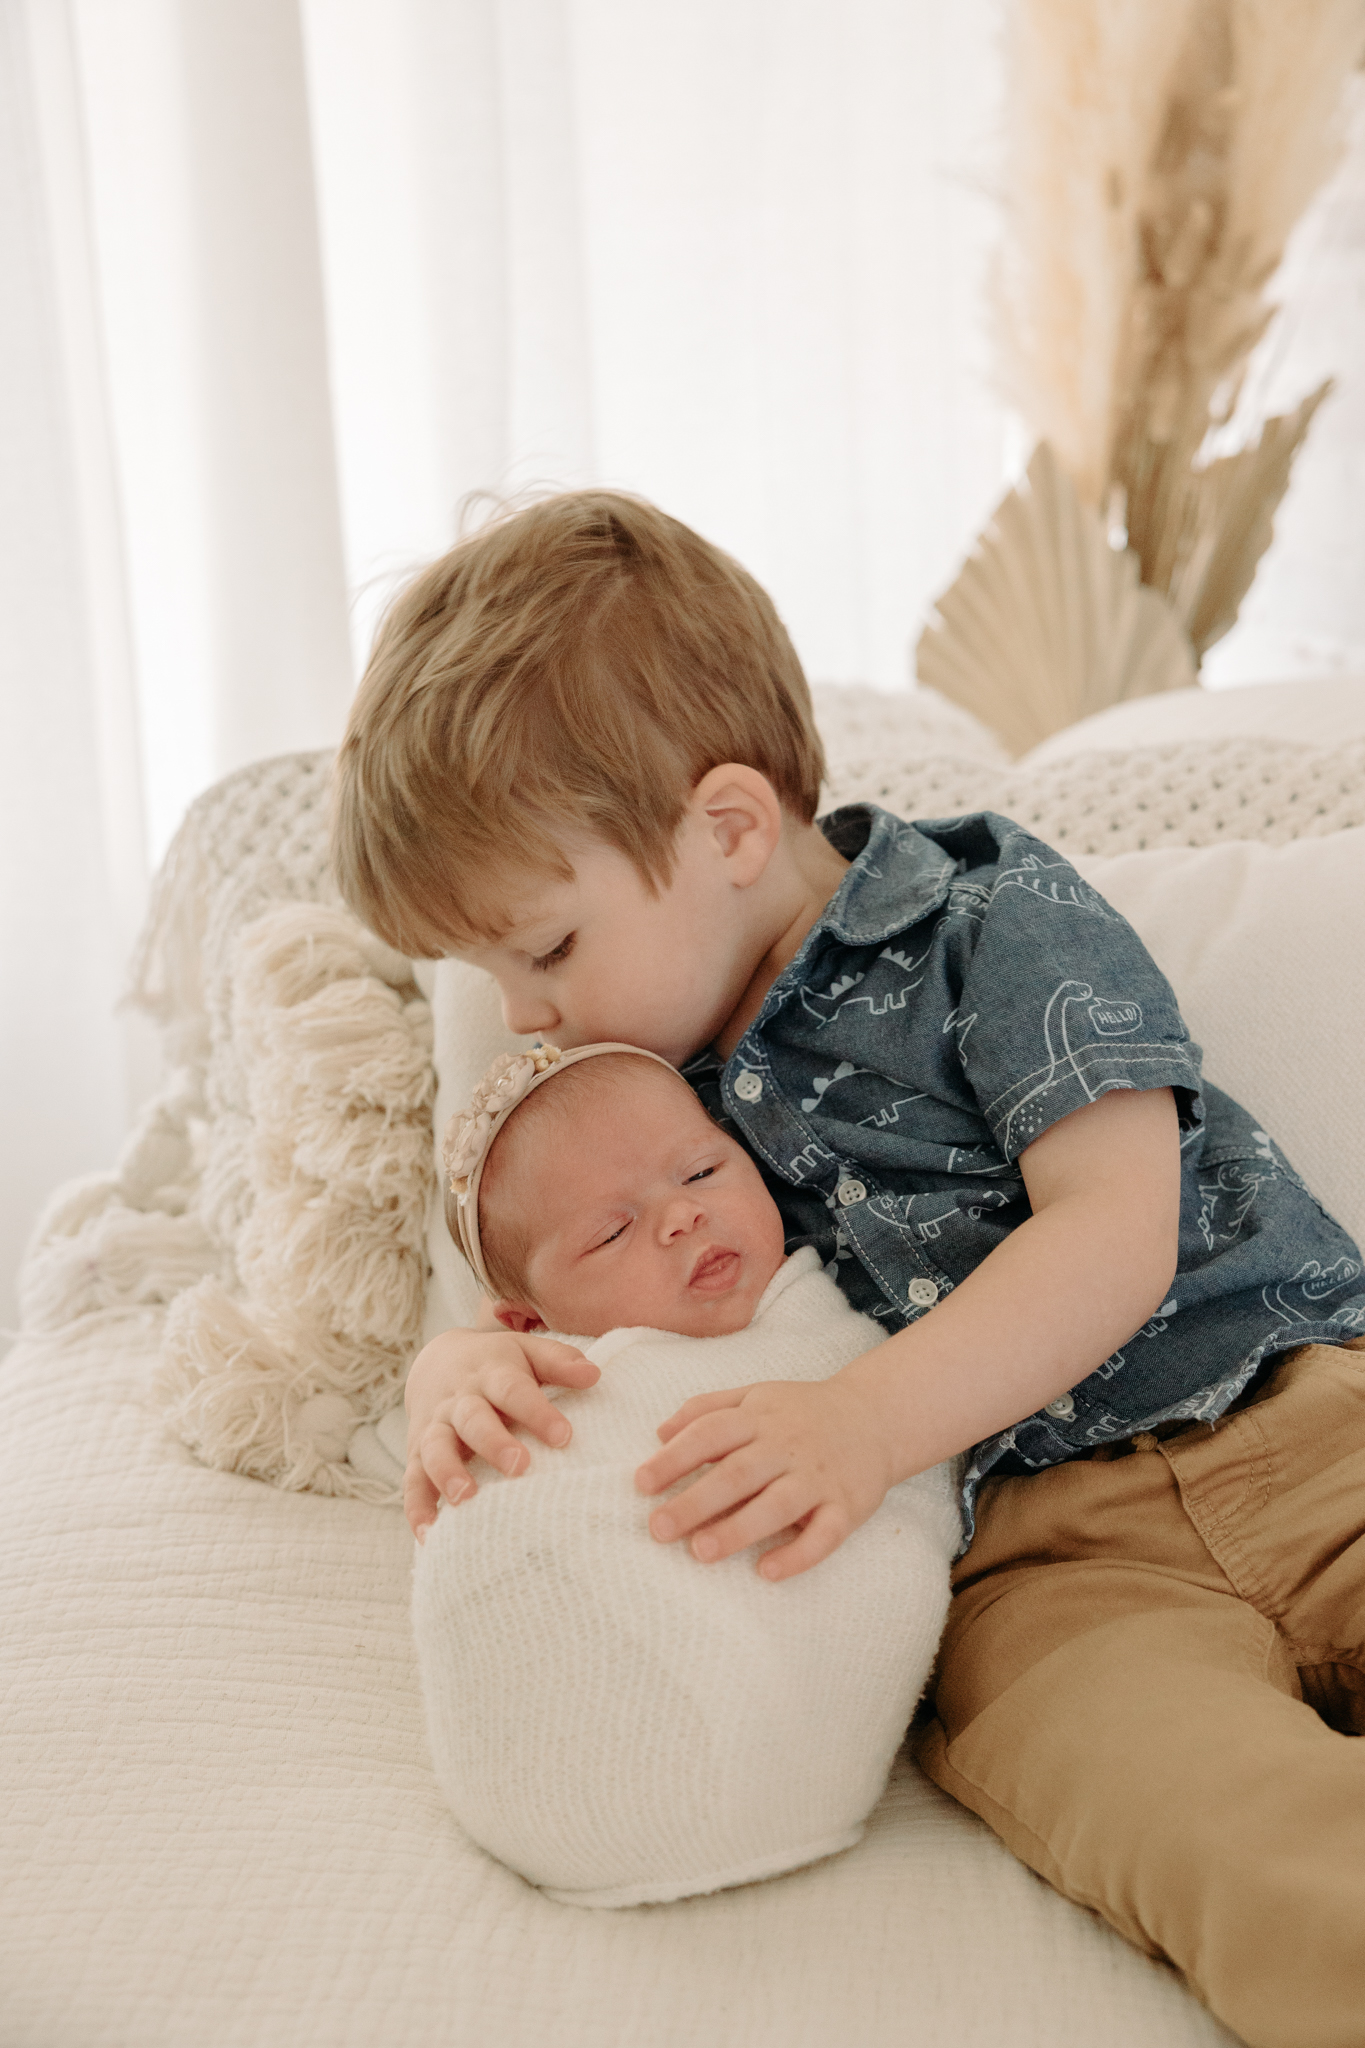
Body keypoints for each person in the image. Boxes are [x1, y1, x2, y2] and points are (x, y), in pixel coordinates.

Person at [332, 489, 1365, 2046]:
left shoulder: (983, 912)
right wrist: (456, 1364)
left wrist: (867, 1424)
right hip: (1038, 1565)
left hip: (1302, 1416)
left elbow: (1113, 1225)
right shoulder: (639, 1099)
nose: (528, 1016)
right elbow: (571, 1310)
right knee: (1213, 1830)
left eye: (542, 952)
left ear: (731, 830)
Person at [411, 1037, 960, 1906]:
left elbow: (919, 1452)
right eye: (611, 1230)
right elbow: (443, 1453)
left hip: (783, 1689)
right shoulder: (541, 1366)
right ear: (527, 1319)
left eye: (702, 1172)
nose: (680, 1217)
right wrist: (443, 1366)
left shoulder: (834, 1322)